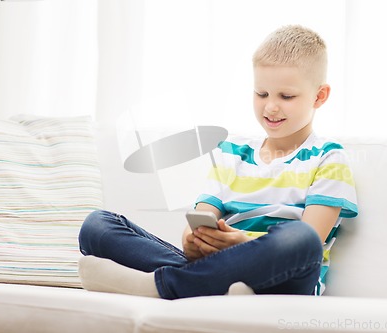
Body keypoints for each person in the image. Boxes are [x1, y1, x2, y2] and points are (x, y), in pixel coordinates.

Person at [78, 25, 358, 299]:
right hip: (222, 266)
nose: (270, 106)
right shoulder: (232, 153)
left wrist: (242, 244)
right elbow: (201, 218)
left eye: (286, 96)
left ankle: (165, 285)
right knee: (97, 226)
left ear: (319, 96)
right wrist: (194, 241)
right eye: (261, 94)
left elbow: (314, 238)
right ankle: (213, 285)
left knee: (301, 239)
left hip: (284, 279)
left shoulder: (329, 158)